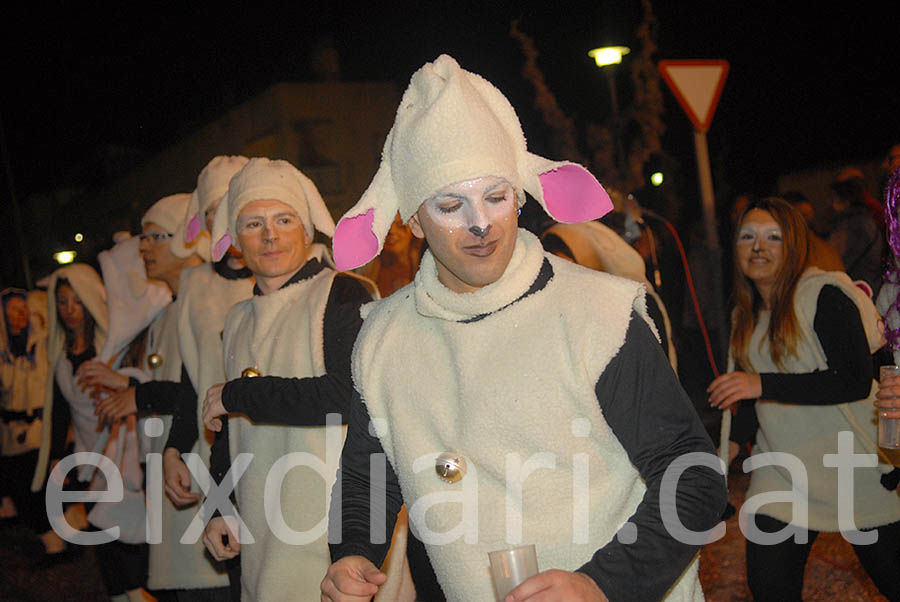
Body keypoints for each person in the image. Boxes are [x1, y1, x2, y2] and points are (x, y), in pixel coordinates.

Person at [323, 54, 726, 602]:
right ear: (413, 219)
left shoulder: (595, 315)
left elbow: (695, 477)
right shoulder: (382, 341)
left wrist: (600, 585)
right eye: (449, 204)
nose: (480, 224)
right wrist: (352, 552)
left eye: (496, 196)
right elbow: (368, 478)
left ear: (520, 197)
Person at [198, 157, 379, 601]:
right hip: (263, 527)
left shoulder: (343, 293)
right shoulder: (238, 317)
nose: (270, 235)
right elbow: (227, 428)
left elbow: (348, 395)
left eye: (283, 219)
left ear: (306, 228)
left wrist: (239, 393)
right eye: (253, 223)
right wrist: (220, 505)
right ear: (236, 239)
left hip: (338, 526)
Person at [708, 197, 900, 601]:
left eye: (772, 237)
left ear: (792, 245)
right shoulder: (746, 316)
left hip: (853, 469)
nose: (758, 247)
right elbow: (754, 402)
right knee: (770, 588)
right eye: (748, 236)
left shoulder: (824, 295)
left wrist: (761, 384)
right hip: (782, 474)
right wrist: (726, 448)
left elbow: (852, 381)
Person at [88, 193, 206, 600]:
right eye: (143, 237)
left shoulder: (204, 304)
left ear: (187, 240)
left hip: (196, 470)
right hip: (169, 471)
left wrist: (137, 394)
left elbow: (205, 390)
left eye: (156, 236)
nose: (143, 247)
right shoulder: (168, 310)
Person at [162, 155, 254, 601]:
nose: (230, 220)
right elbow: (190, 379)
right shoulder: (195, 285)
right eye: (216, 210)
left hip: (277, 453)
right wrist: (174, 448)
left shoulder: (286, 276)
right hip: (217, 454)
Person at [0, 288, 51, 544]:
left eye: (24, 309)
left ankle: (60, 541)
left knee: (41, 488)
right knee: (23, 489)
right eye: (13, 309)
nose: (20, 314)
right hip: (11, 435)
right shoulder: (3, 352)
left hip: (39, 432)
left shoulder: (41, 346)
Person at [828, 177, 883, 296]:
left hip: (858, 289)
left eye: (834, 199)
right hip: (873, 285)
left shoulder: (849, 223)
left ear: (845, 200)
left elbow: (835, 258)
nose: (831, 204)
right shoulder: (867, 219)